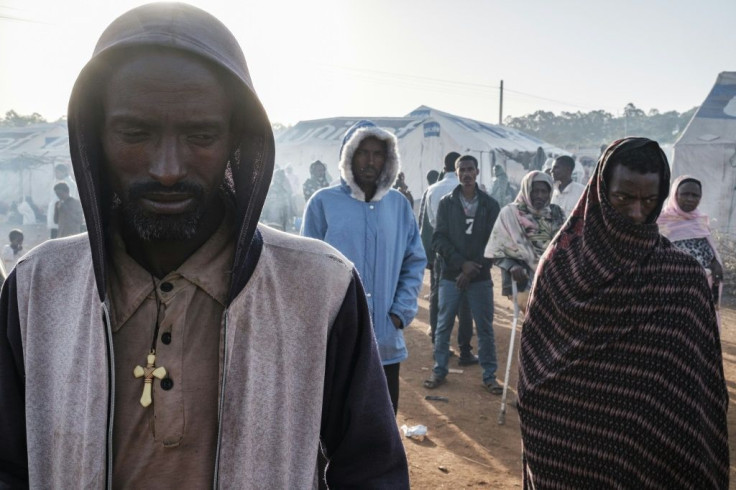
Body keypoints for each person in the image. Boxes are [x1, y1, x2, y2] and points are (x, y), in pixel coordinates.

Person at [0, 4, 409, 489]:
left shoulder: (321, 288)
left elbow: (371, 471)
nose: (168, 168)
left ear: (237, 139)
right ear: (95, 135)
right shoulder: (37, 289)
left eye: (201, 135)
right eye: (135, 133)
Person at [517, 138, 728, 488]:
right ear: (600, 193)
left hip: (651, 457)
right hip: (565, 453)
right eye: (623, 198)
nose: (635, 212)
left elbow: (699, 391)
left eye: (648, 201)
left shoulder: (683, 278)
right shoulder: (560, 266)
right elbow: (535, 371)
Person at [302, 120, 426, 414]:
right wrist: (323, 320)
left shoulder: (398, 206)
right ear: (348, 156)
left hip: (386, 339)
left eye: (378, 153)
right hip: (337, 338)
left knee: (383, 422)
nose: (371, 161)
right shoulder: (323, 203)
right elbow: (307, 267)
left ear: (388, 159)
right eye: (363, 152)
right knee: (335, 423)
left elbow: (414, 260)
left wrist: (400, 312)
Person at [424, 155, 502, 393]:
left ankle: (489, 376)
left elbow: (495, 241)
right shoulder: (447, 203)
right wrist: (460, 264)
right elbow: (438, 238)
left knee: (485, 328)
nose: (466, 174)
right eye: (462, 170)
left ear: (477, 172)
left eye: (470, 169)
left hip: (479, 278)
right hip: (451, 276)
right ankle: (439, 370)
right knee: (444, 325)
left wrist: (472, 268)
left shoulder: (490, 205)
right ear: (455, 173)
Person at [424, 152, 478, 364]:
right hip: (466, 254)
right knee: (465, 301)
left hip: (443, 253)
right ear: (457, 169)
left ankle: (440, 347)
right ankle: (465, 351)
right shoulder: (470, 190)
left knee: (438, 298)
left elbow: (429, 222)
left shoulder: (433, 190)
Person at [485, 171, 565, 299]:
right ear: (526, 190)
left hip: (554, 278)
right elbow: (496, 249)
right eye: (535, 191)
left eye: (544, 191)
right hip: (521, 281)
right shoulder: (510, 213)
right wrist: (512, 266)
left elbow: (566, 243)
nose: (539, 195)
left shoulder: (556, 213)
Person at [658, 175, 724, 325]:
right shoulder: (661, 221)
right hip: (673, 286)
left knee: (697, 325)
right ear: (675, 195)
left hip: (702, 285)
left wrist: (715, 262)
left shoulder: (700, 220)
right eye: (685, 194)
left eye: (695, 195)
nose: (690, 199)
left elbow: (708, 247)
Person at [47, 163, 80, 239]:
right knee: (55, 235)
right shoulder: (55, 182)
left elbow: (68, 198)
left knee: (63, 237)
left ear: (64, 172)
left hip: (65, 213)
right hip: (56, 211)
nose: (56, 174)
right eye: (55, 172)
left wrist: (62, 206)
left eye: (57, 172)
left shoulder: (70, 183)